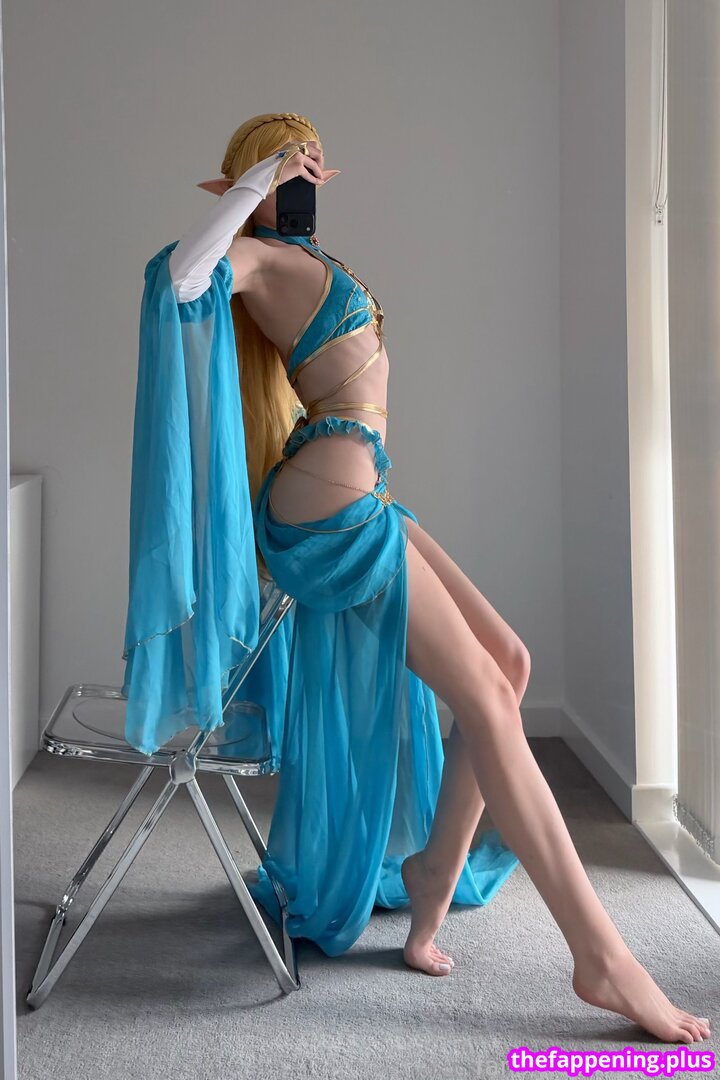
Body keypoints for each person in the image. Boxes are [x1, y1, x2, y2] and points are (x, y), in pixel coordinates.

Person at [123, 112, 710, 1043]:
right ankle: (602, 957)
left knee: (508, 664)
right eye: (287, 167)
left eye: (312, 164)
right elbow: (182, 279)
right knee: (487, 696)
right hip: (329, 515)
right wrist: (252, 187)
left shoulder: (300, 257)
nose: (306, 177)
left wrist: (273, 180)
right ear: (250, 184)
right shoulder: (253, 257)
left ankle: (434, 873)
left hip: (361, 497)